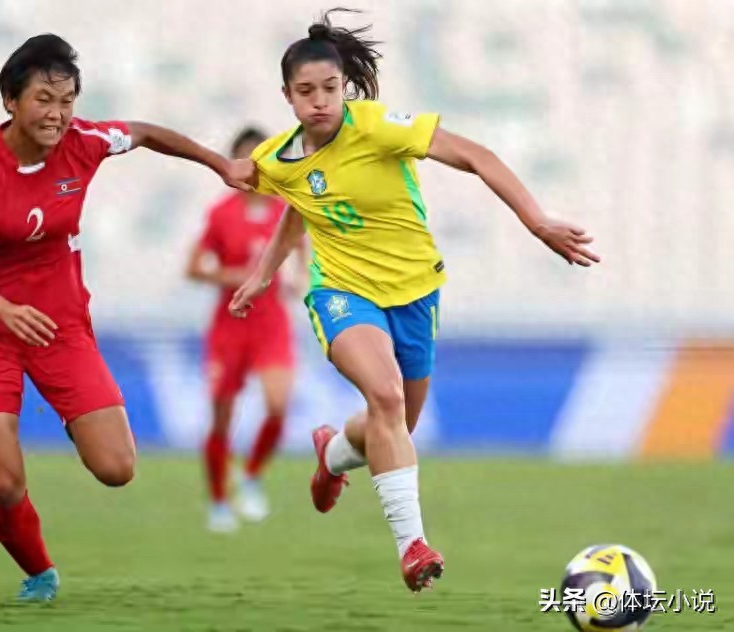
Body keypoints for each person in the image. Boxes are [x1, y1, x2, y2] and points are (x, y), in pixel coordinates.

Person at [229, 9, 600, 594]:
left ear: (344, 87)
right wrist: (262, 275)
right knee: (385, 394)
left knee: (395, 421)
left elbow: (476, 155)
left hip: (415, 291)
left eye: (329, 88)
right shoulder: (277, 157)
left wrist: (537, 222)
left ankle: (331, 455)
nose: (320, 101)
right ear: (287, 96)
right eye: (306, 92)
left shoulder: (378, 126)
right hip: (342, 293)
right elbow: (297, 209)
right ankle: (413, 547)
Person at [0, 33, 251, 602]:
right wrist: (3, 308)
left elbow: (149, 134)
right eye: (43, 100)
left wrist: (220, 163)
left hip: (60, 327)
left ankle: (68, 409)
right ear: (10, 101)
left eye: (67, 100)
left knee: (117, 467)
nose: (57, 114)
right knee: (4, 481)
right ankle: (39, 572)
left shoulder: (86, 141)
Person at [186, 127, 305, 533]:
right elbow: (194, 267)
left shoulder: (284, 208)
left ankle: (251, 474)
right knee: (221, 419)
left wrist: (299, 279)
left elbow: (301, 246)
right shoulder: (221, 214)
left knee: (278, 405)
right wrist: (234, 275)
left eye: (261, 156)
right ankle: (218, 502)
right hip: (229, 326)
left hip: (271, 324)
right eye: (246, 157)